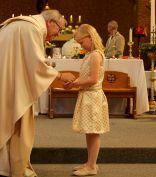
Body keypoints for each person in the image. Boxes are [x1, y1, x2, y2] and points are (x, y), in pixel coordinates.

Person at [0, 10, 75, 177]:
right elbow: (36, 65)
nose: (58, 34)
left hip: (3, 78)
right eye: (60, 29)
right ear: (50, 22)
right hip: (11, 82)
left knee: (4, 117)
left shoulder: (22, 24)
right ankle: (17, 168)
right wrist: (61, 76)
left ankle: (4, 166)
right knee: (20, 119)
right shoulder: (32, 28)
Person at [64, 24, 110, 176]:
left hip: (93, 97)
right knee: (89, 131)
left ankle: (92, 166)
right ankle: (90, 163)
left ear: (90, 37)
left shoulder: (96, 55)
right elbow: (86, 76)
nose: (80, 46)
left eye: (81, 42)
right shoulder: (90, 54)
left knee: (93, 131)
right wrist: (74, 82)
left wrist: (75, 83)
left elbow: (93, 79)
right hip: (88, 95)